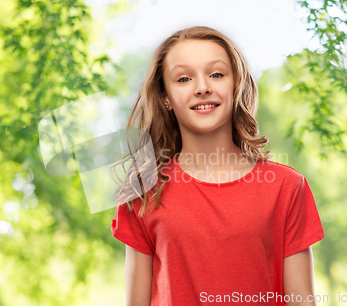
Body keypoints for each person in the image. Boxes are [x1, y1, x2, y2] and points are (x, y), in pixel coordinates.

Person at [109, 26, 324, 306]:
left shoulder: (286, 186)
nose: (202, 87)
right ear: (165, 97)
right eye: (184, 78)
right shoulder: (145, 190)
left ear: (236, 85)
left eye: (216, 74)